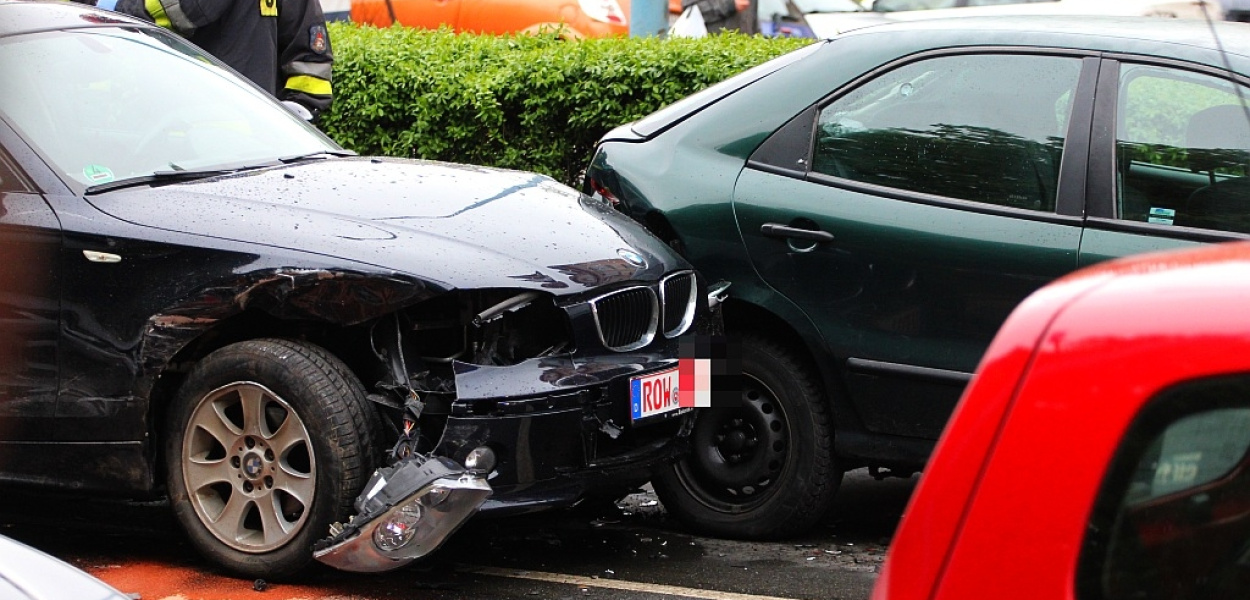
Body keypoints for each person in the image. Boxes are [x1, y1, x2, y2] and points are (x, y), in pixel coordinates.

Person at [82, 0, 334, 120]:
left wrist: (112, 9)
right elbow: (311, 57)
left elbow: (175, 11)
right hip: (255, 141)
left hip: (193, 136)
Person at [681, 0, 758, 34]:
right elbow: (691, 10)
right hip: (711, 53)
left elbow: (753, 22)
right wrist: (730, 4)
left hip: (744, 54)